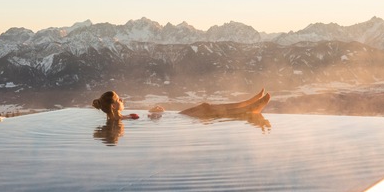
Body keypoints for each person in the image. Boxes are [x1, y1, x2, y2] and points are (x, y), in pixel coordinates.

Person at [92, 89, 270, 121]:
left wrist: (154, 112)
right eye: (119, 99)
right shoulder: (118, 123)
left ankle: (248, 103)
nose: (123, 101)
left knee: (205, 106)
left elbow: (144, 120)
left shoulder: (120, 119)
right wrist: (155, 117)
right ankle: (248, 108)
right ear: (114, 106)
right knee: (205, 109)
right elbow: (144, 124)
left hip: (171, 118)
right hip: (176, 121)